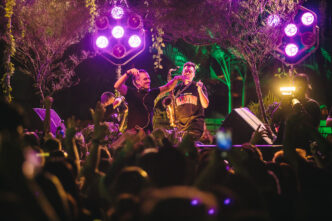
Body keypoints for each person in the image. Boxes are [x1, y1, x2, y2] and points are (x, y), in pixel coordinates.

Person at [114, 68, 184, 133]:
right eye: (145, 79)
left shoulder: (152, 93)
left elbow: (168, 87)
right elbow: (117, 86)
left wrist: (176, 79)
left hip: (147, 133)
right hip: (133, 134)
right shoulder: (131, 92)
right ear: (138, 81)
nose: (148, 81)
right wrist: (128, 73)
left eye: (149, 78)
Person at [271, 73, 320, 150]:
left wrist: (299, 108)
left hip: (302, 146)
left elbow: (313, 125)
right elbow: (274, 118)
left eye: (301, 85)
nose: (298, 88)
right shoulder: (287, 102)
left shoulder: (312, 104)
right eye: (296, 85)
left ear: (306, 87)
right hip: (283, 145)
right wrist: (281, 105)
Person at [173, 62, 209, 140]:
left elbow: (205, 105)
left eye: (190, 71)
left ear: (194, 74)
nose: (188, 73)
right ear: (182, 72)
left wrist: (199, 90)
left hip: (194, 127)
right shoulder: (177, 88)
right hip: (180, 128)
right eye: (186, 71)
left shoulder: (199, 87)